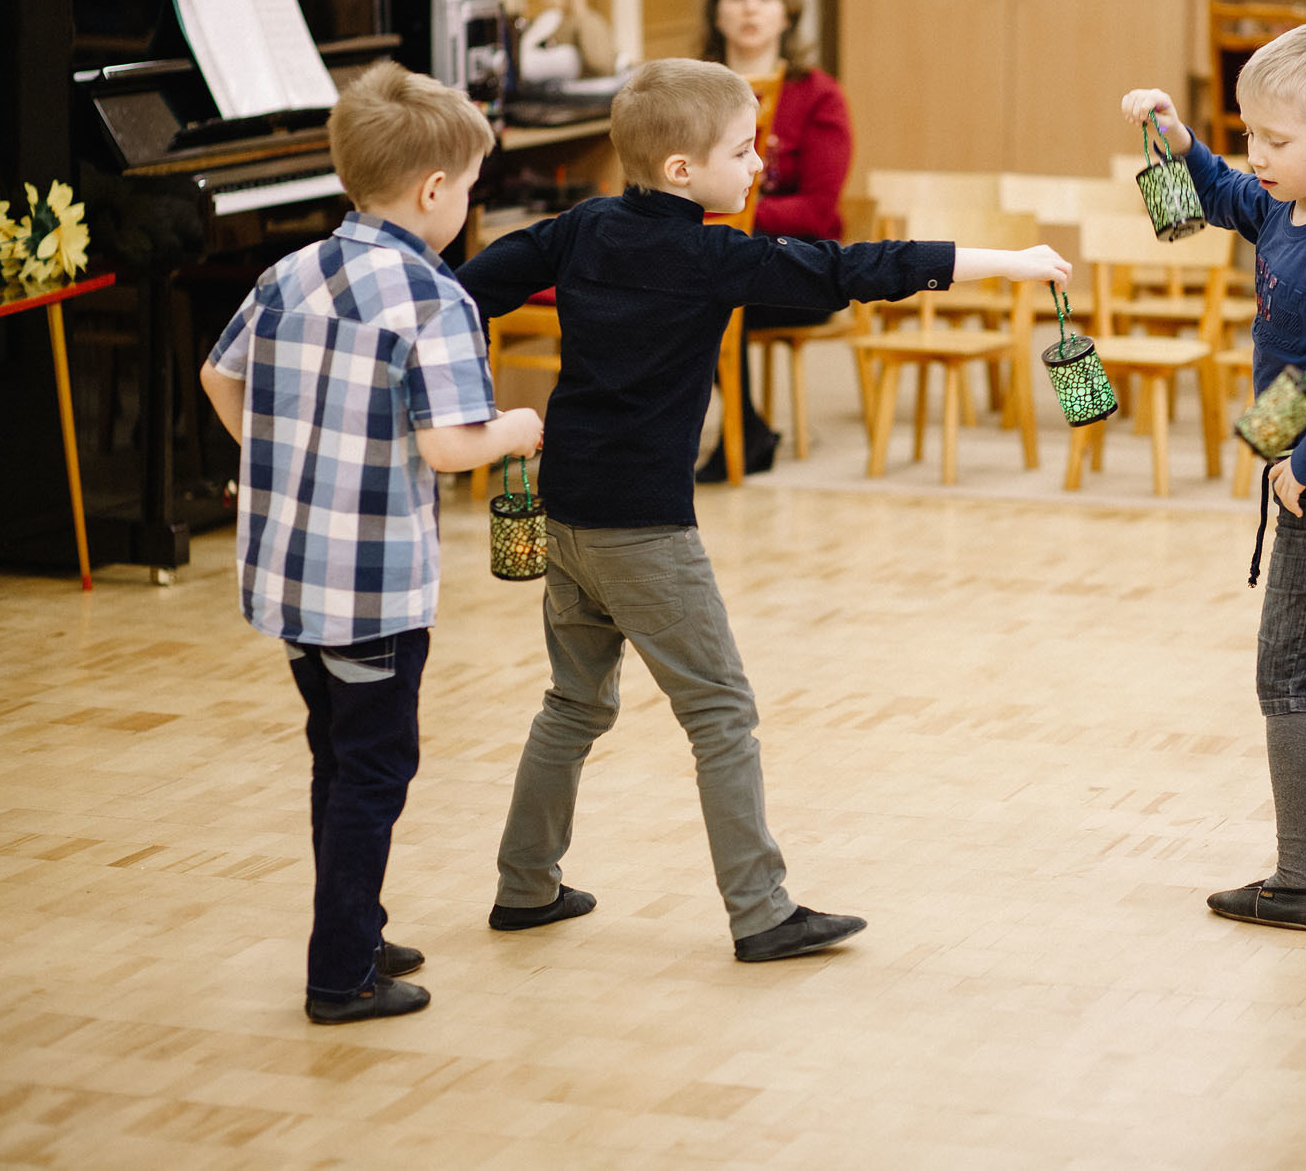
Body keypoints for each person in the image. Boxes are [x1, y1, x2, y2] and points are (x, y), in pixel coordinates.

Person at [459, 58, 1072, 962]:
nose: (757, 168)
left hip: (568, 517)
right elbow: (859, 269)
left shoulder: (582, 228)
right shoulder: (712, 256)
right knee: (720, 710)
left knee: (575, 701)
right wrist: (1009, 263)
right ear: (680, 170)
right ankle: (761, 911)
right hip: (644, 531)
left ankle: (525, 885)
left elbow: (467, 290)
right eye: (744, 152)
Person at [198, 62, 545, 1024]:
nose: (467, 205)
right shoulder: (436, 300)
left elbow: (216, 377)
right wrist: (516, 427)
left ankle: (356, 922)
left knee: (335, 759)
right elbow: (446, 447)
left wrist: (285, 459)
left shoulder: (288, 272)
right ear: (435, 191)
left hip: (287, 576)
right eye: (469, 189)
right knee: (377, 771)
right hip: (374, 593)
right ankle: (341, 972)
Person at [1120, 17, 1306, 936]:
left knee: (1290, 671)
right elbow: (1215, 193)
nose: (1255, 154)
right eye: (1249, 133)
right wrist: (1179, 138)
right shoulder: (1285, 199)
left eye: (1275, 140)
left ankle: (1299, 882)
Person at [696, 0, 854, 482]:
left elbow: (815, 211)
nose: (749, 8)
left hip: (799, 269)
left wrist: (735, 213)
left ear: (786, 13)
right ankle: (742, 428)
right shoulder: (691, 92)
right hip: (713, 259)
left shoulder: (818, 96)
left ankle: (743, 434)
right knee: (674, 289)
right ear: (717, 12)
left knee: (705, 298)